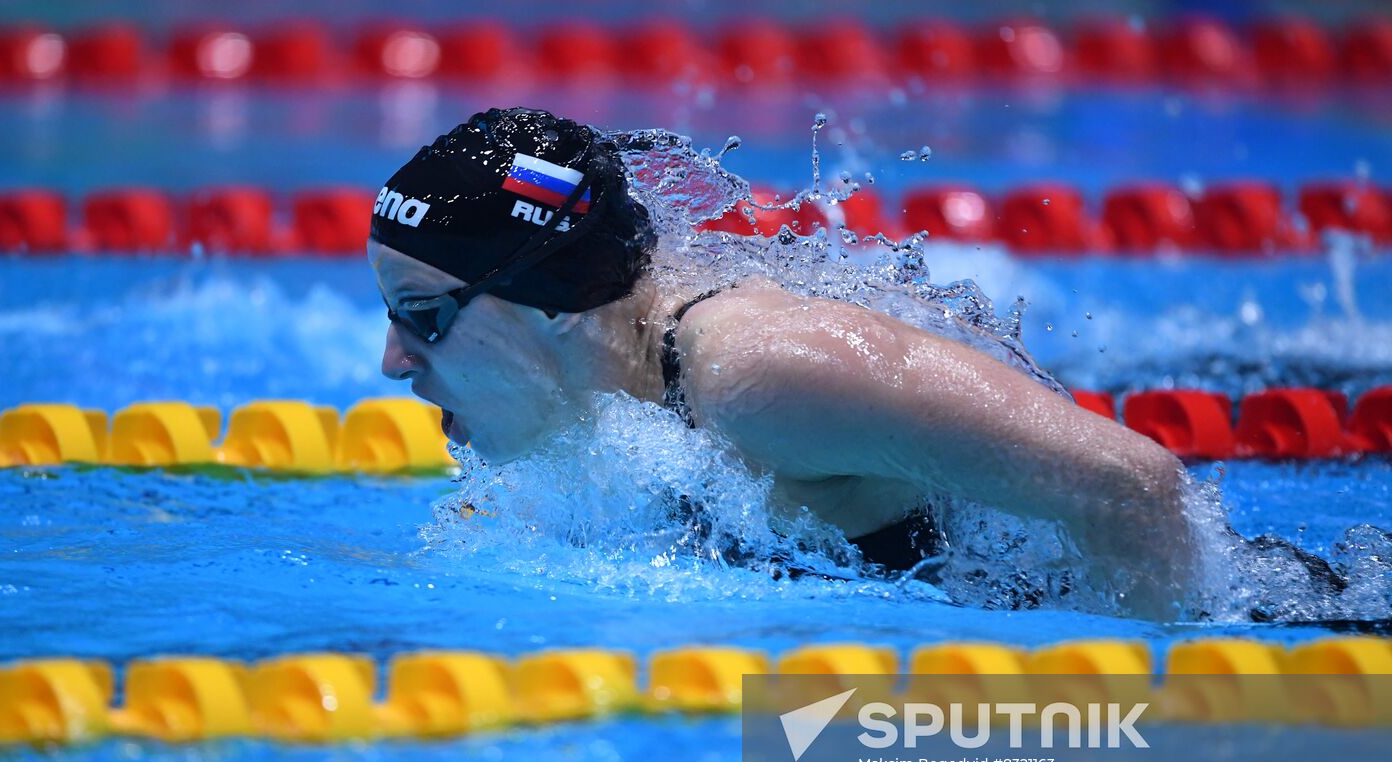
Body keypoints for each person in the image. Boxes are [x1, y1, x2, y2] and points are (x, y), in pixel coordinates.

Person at [370, 107, 1198, 611]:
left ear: (547, 303)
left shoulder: (761, 377)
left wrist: (1118, 727)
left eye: (421, 317)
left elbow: (1132, 487)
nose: (393, 362)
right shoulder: (587, 408)